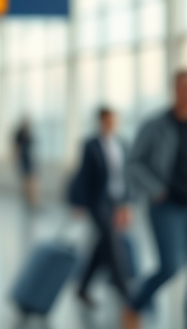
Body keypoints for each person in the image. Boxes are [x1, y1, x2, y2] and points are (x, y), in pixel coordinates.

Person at [125, 70, 187, 329]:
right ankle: (135, 303)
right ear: (174, 90)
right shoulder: (155, 125)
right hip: (166, 206)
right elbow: (133, 163)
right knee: (171, 267)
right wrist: (155, 189)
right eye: (182, 87)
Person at [69, 106, 133, 314]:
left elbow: (126, 176)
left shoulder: (122, 144)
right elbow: (83, 174)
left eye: (114, 120)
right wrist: (78, 202)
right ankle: (127, 294)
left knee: (103, 245)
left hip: (117, 200)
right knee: (113, 242)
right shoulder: (91, 145)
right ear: (100, 122)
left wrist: (127, 203)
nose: (111, 124)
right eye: (108, 120)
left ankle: (82, 287)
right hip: (98, 202)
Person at [13, 116, 38, 209]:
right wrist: (17, 159)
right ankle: (28, 200)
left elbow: (32, 145)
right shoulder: (19, 133)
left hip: (29, 159)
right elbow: (16, 147)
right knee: (26, 181)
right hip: (23, 160)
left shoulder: (28, 133)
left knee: (31, 180)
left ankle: (33, 200)